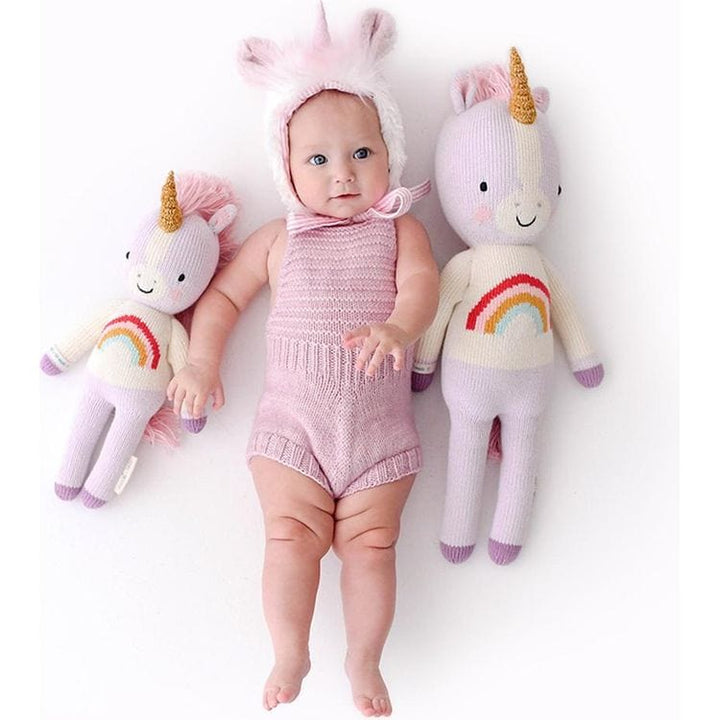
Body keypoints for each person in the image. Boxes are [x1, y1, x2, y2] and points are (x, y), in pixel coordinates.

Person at [167, 7, 439, 717]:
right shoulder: (279, 238)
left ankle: (364, 659)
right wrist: (201, 362)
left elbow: (422, 287)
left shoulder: (400, 231)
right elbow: (224, 298)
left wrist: (399, 326)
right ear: (286, 168)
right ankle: (290, 651)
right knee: (289, 538)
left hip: (380, 440)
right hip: (293, 432)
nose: (342, 175)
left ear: (389, 152)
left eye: (361, 153)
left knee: (374, 546)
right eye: (318, 160)